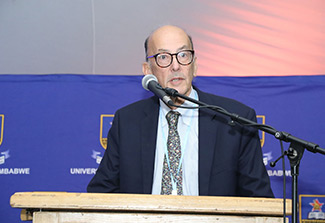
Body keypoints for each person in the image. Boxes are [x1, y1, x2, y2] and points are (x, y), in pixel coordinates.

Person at [87, 25, 274, 198]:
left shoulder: (234, 120)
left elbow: (259, 200)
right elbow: (101, 194)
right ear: (147, 70)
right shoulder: (127, 122)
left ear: (195, 65)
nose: (175, 66)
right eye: (163, 57)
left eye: (183, 55)